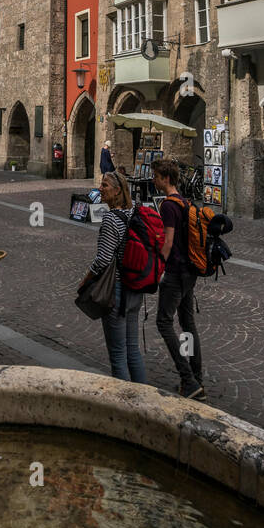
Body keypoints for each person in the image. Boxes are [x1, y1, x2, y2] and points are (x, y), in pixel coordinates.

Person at [79, 170, 147, 384]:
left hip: (116, 290)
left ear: (118, 191)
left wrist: (85, 279)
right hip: (135, 289)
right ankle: (142, 398)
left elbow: (103, 260)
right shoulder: (134, 211)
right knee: (132, 350)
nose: (101, 188)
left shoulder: (111, 218)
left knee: (118, 355)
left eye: (106, 185)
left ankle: (125, 406)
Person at [153, 159, 205, 400]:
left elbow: (168, 241)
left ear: (165, 178)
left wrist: (157, 267)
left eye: (156, 176)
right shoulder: (185, 202)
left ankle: (188, 379)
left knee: (164, 322)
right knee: (188, 324)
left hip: (175, 272)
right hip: (190, 271)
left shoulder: (168, 206)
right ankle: (196, 378)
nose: (154, 180)